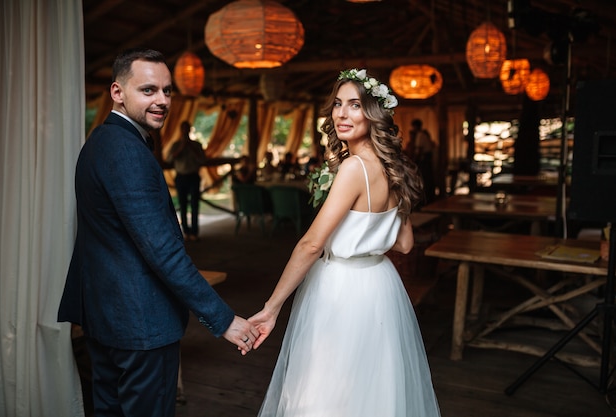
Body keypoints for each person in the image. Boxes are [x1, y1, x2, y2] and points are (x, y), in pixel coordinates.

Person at [57, 48, 258, 417]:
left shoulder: (99, 142)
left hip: (104, 319)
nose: (162, 100)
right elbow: (162, 250)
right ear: (118, 92)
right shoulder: (127, 151)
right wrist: (224, 319)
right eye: (148, 90)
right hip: (139, 324)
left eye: (167, 91)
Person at [249, 69, 441, 416]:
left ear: (374, 114)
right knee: (373, 389)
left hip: (342, 288)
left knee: (328, 389)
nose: (341, 113)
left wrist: (272, 307)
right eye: (338, 104)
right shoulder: (391, 167)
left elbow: (310, 245)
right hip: (380, 286)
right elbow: (405, 244)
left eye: (355, 105)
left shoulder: (354, 169)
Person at [166, 120, 206, 241]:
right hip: (181, 177)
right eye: (183, 129)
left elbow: (203, 160)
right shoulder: (176, 145)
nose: (185, 131)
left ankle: (194, 232)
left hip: (193, 176)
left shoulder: (196, 145)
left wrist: (191, 148)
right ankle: (186, 232)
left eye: (187, 129)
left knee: (194, 205)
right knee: (182, 205)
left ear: (189, 130)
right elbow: (169, 159)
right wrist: (181, 148)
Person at [411, 118, 436, 204]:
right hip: (426, 159)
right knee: (426, 179)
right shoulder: (423, 135)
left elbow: (420, 150)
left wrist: (414, 161)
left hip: (425, 159)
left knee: (424, 179)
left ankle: (425, 201)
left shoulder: (420, 135)